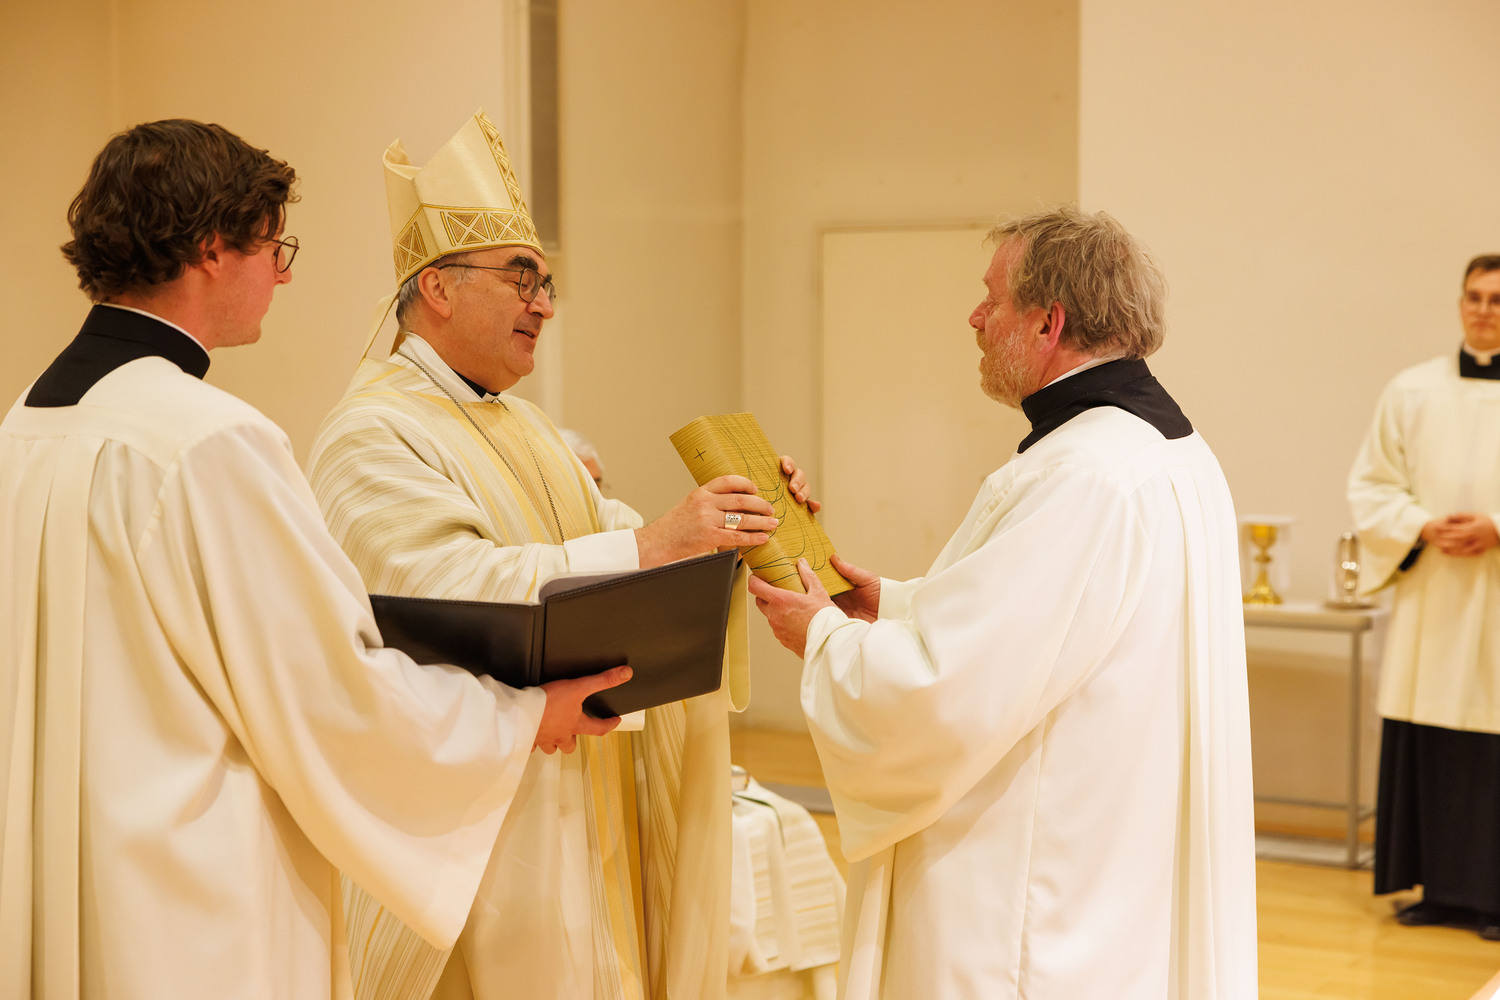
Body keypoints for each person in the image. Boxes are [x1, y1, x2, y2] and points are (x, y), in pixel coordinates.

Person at [0, 119, 628, 1000]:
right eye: (273, 248)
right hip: (184, 898)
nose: (283, 275)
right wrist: (520, 717)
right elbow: (330, 686)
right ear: (213, 249)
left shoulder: (29, 420)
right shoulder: (210, 439)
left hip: (66, 858)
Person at [307, 110, 812, 1000]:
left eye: (546, 282)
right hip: (480, 826)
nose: (544, 303)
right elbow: (451, 591)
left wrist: (739, 531)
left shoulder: (524, 424)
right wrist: (659, 540)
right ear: (437, 287)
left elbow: (623, 545)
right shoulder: (372, 432)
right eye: (521, 276)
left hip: (574, 790)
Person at [750, 206, 1258, 999]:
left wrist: (820, 635)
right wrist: (896, 607)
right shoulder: (1163, 448)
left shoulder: (1080, 471)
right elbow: (1046, 627)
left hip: (1035, 886)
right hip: (1116, 850)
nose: (975, 317)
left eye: (992, 298)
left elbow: (948, 694)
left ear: (1048, 322)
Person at [1348, 254, 1500, 940]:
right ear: (1460, 302)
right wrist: (1419, 525)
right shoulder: (1412, 390)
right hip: (1433, 596)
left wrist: (1496, 528)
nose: (1484, 310)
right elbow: (1373, 483)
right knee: (1432, 738)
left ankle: (1492, 898)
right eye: (1474, 296)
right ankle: (1439, 890)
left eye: (1496, 299)